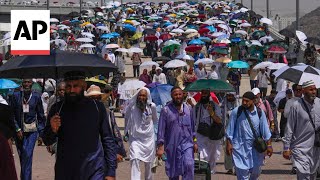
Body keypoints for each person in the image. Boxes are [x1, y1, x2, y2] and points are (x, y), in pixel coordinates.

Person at [42, 71, 117, 180]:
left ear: (84, 86)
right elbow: (47, 141)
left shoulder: (97, 108)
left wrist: (111, 171)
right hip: (66, 170)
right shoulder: (57, 109)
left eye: (76, 86)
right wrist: (53, 130)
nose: (71, 90)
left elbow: (108, 139)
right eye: (68, 86)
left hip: (94, 169)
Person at [226, 91, 273, 180]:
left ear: (253, 101)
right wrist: (229, 144)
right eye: (243, 100)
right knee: (242, 176)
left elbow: (266, 131)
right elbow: (230, 130)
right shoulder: (237, 112)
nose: (244, 103)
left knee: (256, 173)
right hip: (240, 149)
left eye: (247, 101)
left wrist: (269, 145)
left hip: (255, 150)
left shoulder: (260, 113)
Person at [157, 87, 198, 180]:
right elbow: (161, 129)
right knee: (173, 172)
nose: (178, 96)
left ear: (183, 95)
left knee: (189, 164)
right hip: (172, 146)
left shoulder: (188, 109)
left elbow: (193, 128)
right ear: (172, 96)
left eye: (180, 94)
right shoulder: (166, 110)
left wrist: (195, 142)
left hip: (187, 144)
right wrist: (160, 146)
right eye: (175, 95)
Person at [283, 80, 320, 179]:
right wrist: (286, 147)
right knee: (304, 175)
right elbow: (289, 127)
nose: (314, 92)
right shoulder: (296, 106)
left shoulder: (319, 104)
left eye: (315, 89)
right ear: (303, 91)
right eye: (311, 89)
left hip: (315, 147)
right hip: (300, 148)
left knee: (312, 175)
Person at [10, 79, 46, 180]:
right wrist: (17, 129)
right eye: (25, 82)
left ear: (32, 84)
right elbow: (11, 114)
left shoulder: (36, 96)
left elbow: (41, 116)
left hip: (31, 132)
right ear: (22, 84)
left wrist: (41, 133)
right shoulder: (16, 96)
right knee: (23, 157)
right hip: (18, 132)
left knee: (27, 154)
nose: (27, 84)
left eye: (29, 82)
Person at [85, 85, 126, 163]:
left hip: (104, 153)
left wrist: (117, 151)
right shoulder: (82, 115)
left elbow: (115, 133)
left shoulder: (107, 113)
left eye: (97, 98)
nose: (95, 101)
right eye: (92, 98)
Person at [125, 87, 157, 180]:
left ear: (147, 97)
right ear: (137, 96)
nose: (141, 97)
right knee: (134, 159)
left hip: (148, 139)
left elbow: (155, 120)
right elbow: (126, 119)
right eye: (140, 95)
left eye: (144, 95)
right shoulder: (131, 106)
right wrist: (126, 132)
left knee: (149, 164)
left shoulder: (152, 106)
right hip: (135, 139)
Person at [194, 89, 223, 174]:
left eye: (205, 93)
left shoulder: (215, 106)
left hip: (212, 136)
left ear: (209, 94)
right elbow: (193, 121)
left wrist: (212, 113)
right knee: (203, 158)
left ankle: (209, 175)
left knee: (211, 159)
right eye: (202, 93)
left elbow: (219, 121)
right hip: (200, 135)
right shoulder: (197, 107)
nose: (203, 95)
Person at [221, 92, 239, 174]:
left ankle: (237, 168)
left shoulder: (238, 106)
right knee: (227, 150)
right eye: (228, 95)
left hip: (236, 132)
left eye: (232, 96)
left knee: (236, 150)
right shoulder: (223, 105)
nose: (230, 97)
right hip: (226, 131)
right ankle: (229, 168)